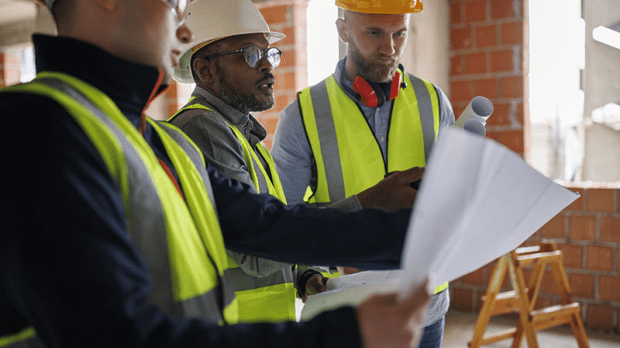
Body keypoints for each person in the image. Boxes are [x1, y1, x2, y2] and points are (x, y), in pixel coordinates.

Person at [0, 0, 432, 347]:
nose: (183, 31)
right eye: (172, 3)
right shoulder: (35, 128)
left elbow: (268, 225)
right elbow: (113, 333)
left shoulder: (161, 141)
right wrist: (342, 334)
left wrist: (423, 237)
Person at [167, 0, 425, 322]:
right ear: (204, 70)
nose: (267, 66)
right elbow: (258, 246)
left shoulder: (242, 135)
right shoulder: (203, 130)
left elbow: (275, 220)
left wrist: (303, 272)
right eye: (250, 54)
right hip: (230, 327)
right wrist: (365, 203)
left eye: (268, 53)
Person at [271, 0, 454, 346]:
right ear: (343, 31)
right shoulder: (304, 116)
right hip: (353, 311)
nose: (390, 48)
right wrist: (306, 273)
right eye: (374, 33)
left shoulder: (433, 101)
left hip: (427, 305)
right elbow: (280, 219)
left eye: (400, 33)